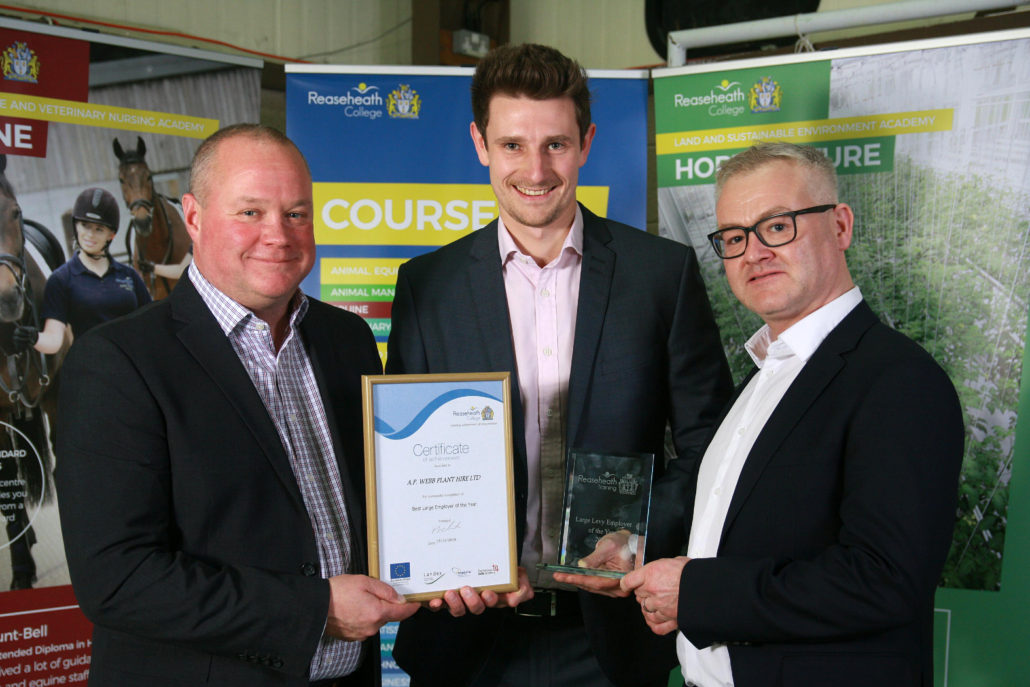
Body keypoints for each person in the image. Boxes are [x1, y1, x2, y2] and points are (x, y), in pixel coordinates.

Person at [386, 44, 733, 687]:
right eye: (512, 145)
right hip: (468, 638)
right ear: (480, 145)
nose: (536, 169)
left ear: (586, 143)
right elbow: (407, 466)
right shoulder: (426, 286)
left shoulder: (661, 275)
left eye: (556, 145)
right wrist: (441, 557)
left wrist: (640, 533)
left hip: (611, 636)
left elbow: (711, 446)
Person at [56, 124, 419, 687]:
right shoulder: (117, 362)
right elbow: (119, 579)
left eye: (296, 213)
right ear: (194, 218)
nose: (279, 235)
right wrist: (315, 609)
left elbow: (372, 509)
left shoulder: (345, 339)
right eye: (250, 212)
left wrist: (463, 567)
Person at [621, 141, 964, 687]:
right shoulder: (762, 378)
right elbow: (739, 534)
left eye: (777, 226)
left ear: (840, 226)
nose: (753, 253)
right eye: (734, 237)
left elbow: (884, 581)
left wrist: (698, 593)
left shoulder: (899, 380)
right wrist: (633, 558)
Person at [12, 187, 150, 354]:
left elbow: (151, 322)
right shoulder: (61, 279)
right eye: (85, 225)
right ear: (76, 226)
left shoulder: (129, 275)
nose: (90, 235)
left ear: (111, 235)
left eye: (99, 229)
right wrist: (33, 338)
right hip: (93, 364)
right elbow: (54, 340)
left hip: (133, 360)